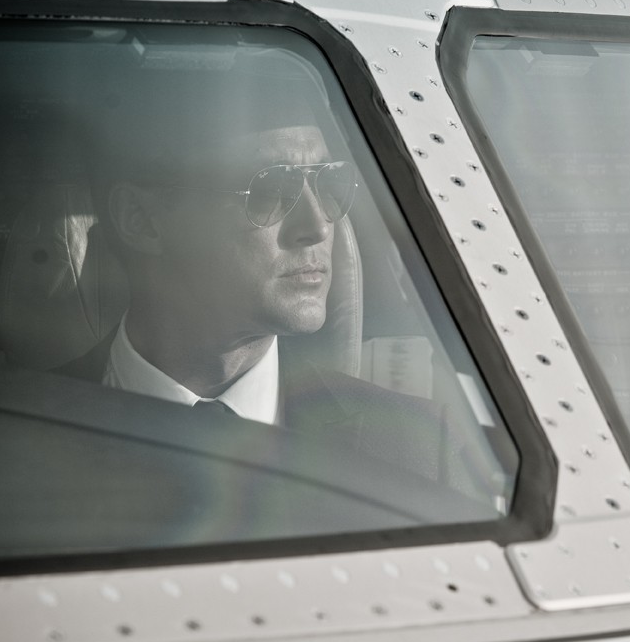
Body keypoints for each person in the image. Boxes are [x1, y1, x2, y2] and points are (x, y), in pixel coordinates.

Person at [59, 44, 493, 499]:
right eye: (269, 189)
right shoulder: (16, 432)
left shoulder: (419, 451)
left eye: (327, 182)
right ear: (141, 219)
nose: (318, 226)